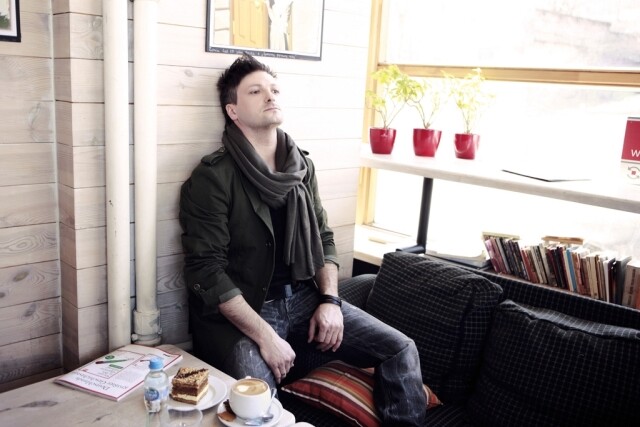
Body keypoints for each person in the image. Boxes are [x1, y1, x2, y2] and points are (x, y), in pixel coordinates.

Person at [179, 53, 427, 425]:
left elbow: (323, 238)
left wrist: (330, 300)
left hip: (303, 296)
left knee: (401, 348)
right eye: (255, 91)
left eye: (274, 89)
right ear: (233, 110)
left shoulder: (301, 166)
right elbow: (206, 270)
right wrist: (266, 337)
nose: (270, 96)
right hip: (248, 308)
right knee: (259, 408)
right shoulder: (213, 177)